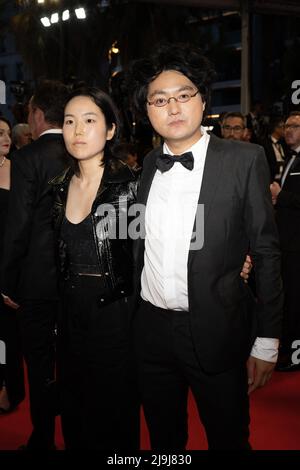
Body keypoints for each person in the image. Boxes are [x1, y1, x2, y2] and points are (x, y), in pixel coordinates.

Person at [126, 43, 283, 450]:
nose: (173, 107)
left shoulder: (244, 159)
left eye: (184, 95)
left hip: (217, 327)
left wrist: (267, 340)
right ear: (147, 111)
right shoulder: (145, 166)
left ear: (202, 99)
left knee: (229, 438)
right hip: (151, 331)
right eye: (160, 100)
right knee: (164, 440)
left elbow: (265, 250)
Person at [50, 87, 140, 450]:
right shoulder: (58, 187)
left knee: (114, 422)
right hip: (70, 320)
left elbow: (147, 254)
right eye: (70, 121)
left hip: (116, 320)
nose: (77, 130)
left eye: (90, 121)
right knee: (75, 417)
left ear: (110, 130)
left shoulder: (128, 187)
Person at [1, 81, 68, 449]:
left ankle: (43, 438)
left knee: (40, 363)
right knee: (75, 360)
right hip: (81, 278)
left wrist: (7, 282)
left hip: (38, 281)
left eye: (28, 111)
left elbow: (18, 227)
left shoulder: (28, 158)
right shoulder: (83, 150)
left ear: (39, 114)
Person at [270, 111, 300, 371]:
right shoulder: (289, 157)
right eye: (286, 125)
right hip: (284, 240)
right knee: (287, 296)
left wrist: (281, 197)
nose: (287, 129)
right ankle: (288, 350)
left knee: (295, 299)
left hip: (296, 243)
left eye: (294, 126)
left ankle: (294, 355)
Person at [0, 117, 25, 414]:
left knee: (8, 334)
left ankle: (12, 389)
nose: (6, 137)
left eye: (7, 132)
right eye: (0, 133)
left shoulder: (20, 169)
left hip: (9, 265)